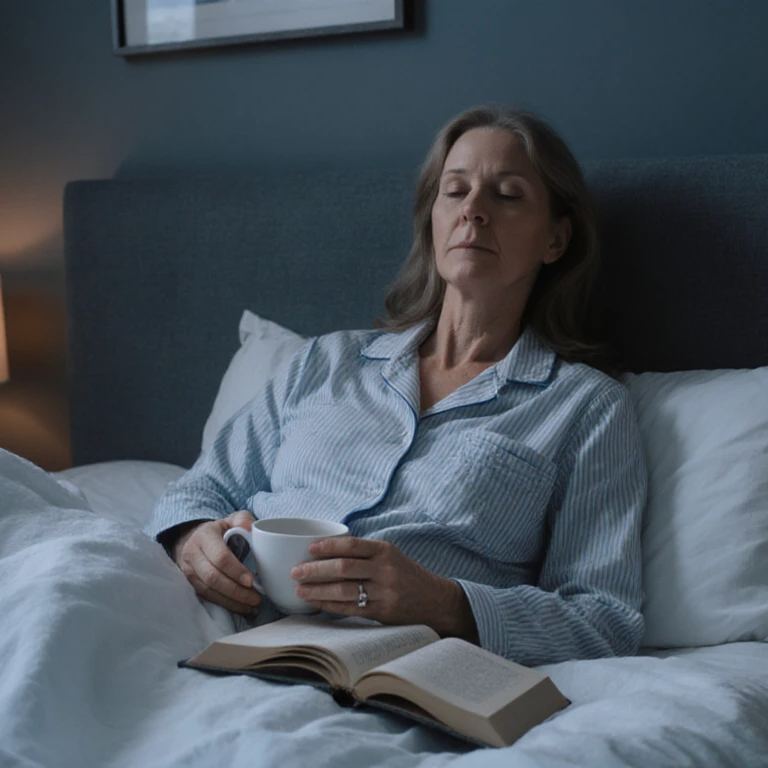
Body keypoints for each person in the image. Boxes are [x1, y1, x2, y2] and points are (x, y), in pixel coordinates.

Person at [148, 105, 647, 667]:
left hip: (391, 666)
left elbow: (604, 620)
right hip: (212, 624)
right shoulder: (325, 360)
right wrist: (193, 542)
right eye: (454, 191)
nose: (473, 211)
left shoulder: (586, 408)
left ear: (556, 238)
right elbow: (198, 491)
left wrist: (441, 602)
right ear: (432, 218)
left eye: (506, 195)